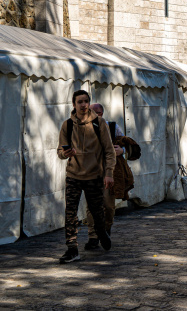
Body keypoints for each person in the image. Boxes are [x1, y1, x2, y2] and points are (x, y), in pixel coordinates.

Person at [57, 90, 116, 263]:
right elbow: (60, 152)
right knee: (70, 213)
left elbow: (109, 151)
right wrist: (65, 153)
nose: (83, 105)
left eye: (85, 101)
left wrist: (109, 173)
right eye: (79, 102)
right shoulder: (67, 125)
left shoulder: (99, 123)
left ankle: (101, 231)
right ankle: (72, 248)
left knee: (97, 212)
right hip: (73, 175)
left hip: (94, 176)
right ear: (74, 104)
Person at [85, 103, 138, 251]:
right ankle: (93, 237)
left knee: (108, 206)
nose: (96, 115)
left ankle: (105, 230)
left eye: (99, 112)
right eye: (93, 112)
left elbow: (126, 144)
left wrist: (122, 150)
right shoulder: (82, 127)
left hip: (109, 173)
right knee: (91, 206)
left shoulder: (112, 127)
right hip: (89, 172)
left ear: (102, 113)